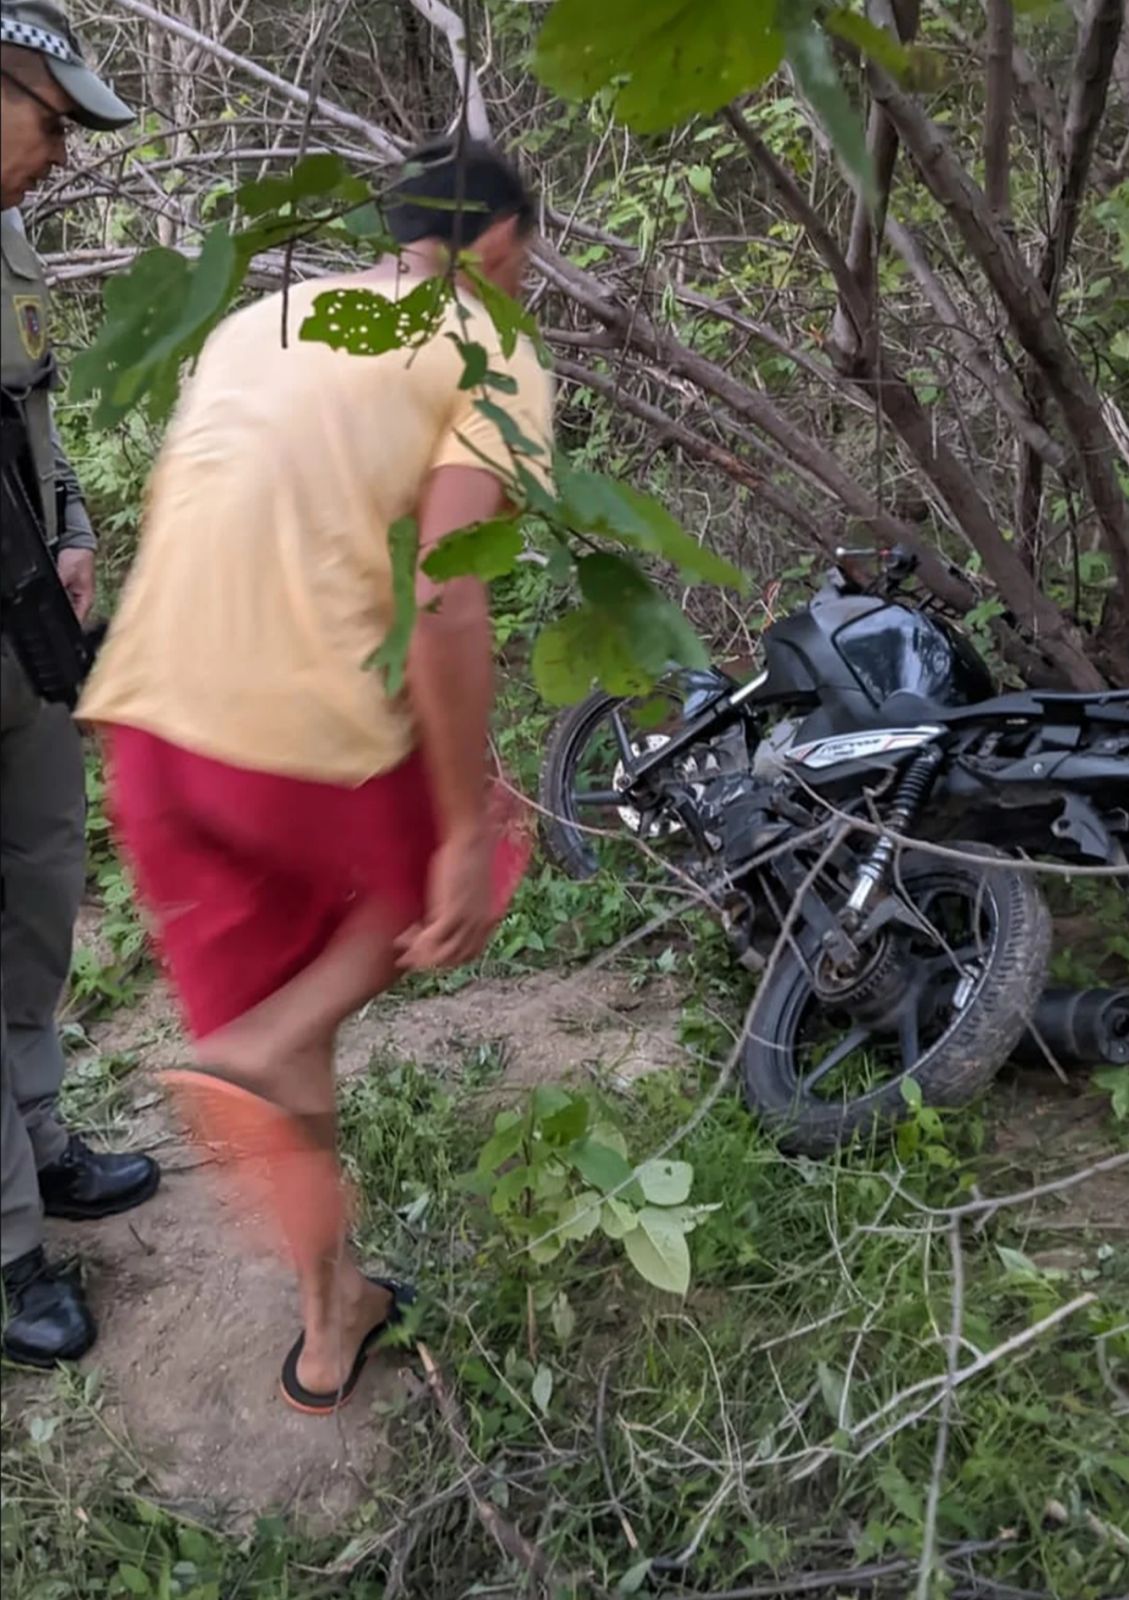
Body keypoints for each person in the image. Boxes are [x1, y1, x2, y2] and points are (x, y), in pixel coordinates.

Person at [80, 139, 554, 1413]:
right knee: (474, 851)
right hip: (289, 736)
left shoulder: (264, 319)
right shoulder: (486, 346)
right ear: (500, 245)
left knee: (286, 1048)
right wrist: (458, 824)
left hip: (149, 725)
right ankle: (254, 1048)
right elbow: (450, 593)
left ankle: (329, 1321)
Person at [1, 1, 161, 1370]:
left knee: (41, 894)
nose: (61, 153)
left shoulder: (7, 236)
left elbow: (37, 420)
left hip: (25, 637)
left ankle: (40, 1138)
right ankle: (5, 1248)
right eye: (50, 119)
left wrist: (74, 524)